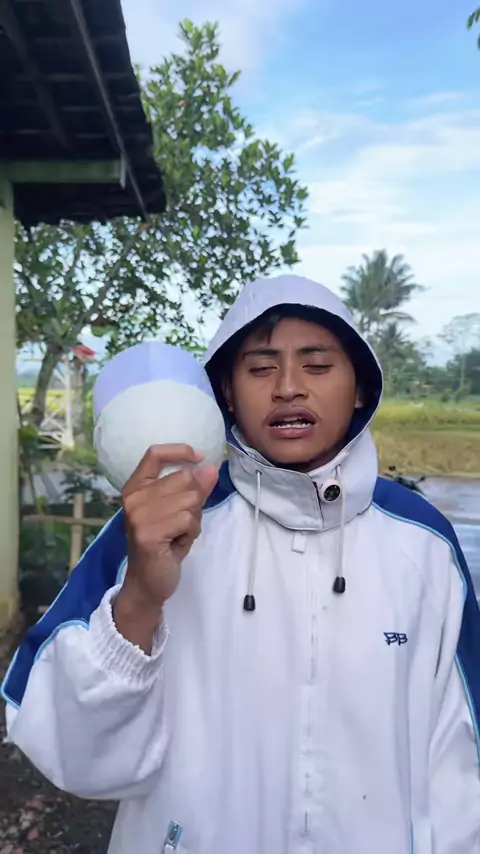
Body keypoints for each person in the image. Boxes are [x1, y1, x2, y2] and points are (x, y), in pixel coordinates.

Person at [3, 275, 480, 854]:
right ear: (225, 392)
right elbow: (76, 755)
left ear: (360, 387)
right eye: (260, 368)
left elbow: (460, 761)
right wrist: (141, 598)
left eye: (317, 365)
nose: (288, 388)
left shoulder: (423, 543)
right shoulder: (157, 527)